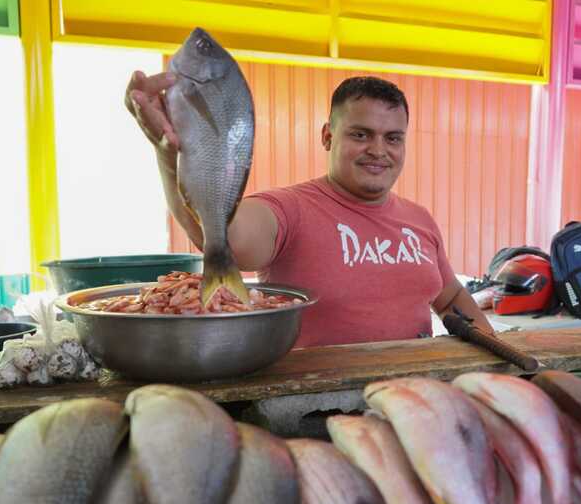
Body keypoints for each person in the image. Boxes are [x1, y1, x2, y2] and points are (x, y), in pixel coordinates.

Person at [125, 71, 494, 347]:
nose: (378, 150)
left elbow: (450, 298)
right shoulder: (290, 208)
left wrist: (498, 355)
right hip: (315, 408)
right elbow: (225, 238)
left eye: (392, 138)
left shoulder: (419, 219)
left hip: (412, 400)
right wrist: (170, 155)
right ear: (327, 136)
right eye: (360, 134)